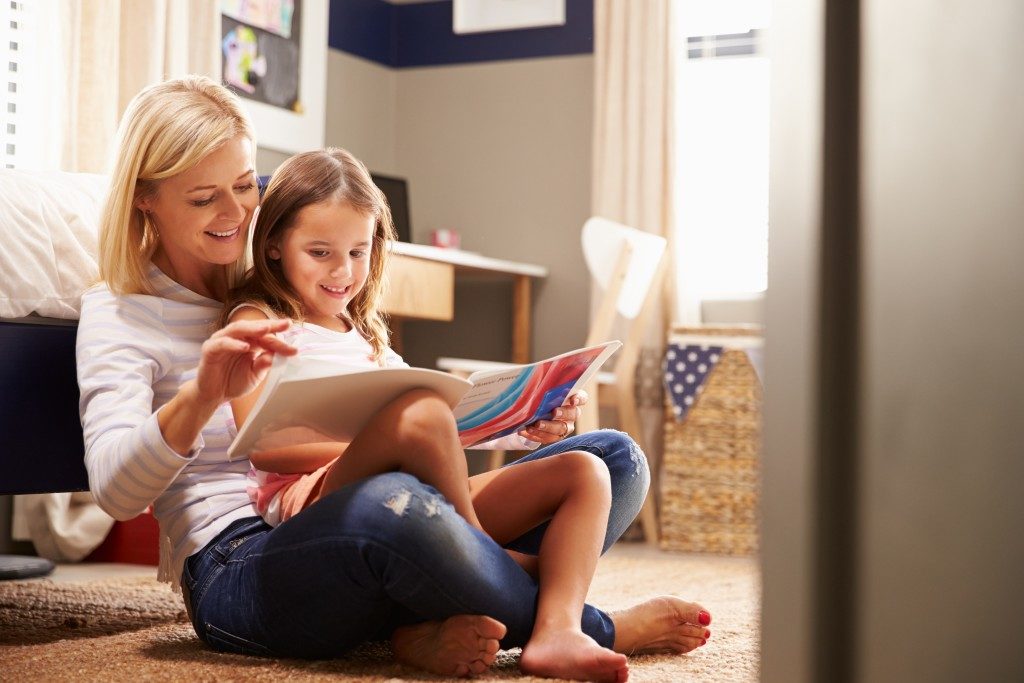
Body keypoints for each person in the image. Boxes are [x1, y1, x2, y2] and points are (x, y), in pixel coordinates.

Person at [77, 75, 713, 682]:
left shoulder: (297, 274)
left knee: (610, 460)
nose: (236, 213)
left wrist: (519, 423)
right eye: (202, 197)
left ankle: (424, 621)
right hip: (240, 560)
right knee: (394, 511)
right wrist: (201, 394)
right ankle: (587, 625)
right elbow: (115, 493)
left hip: (380, 503)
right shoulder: (127, 310)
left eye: (246, 186)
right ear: (144, 196)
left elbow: (417, 416)